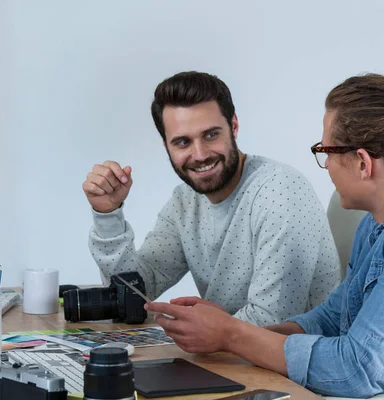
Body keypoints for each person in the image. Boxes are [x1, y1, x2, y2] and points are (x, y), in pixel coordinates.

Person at [146, 74, 384, 399]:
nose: (326, 165)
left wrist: (230, 335)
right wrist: (228, 329)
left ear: (363, 163)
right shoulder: (380, 221)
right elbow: (332, 319)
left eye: (325, 151)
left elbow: (358, 370)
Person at [83, 71, 340, 326]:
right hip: (229, 360)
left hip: (284, 364)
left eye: (211, 135)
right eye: (182, 142)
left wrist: (195, 331)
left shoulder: (280, 192)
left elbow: (273, 322)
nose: (200, 154)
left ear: (234, 126)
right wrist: (108, 215)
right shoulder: (185, 202)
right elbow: (132, 292)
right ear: (167, 147)